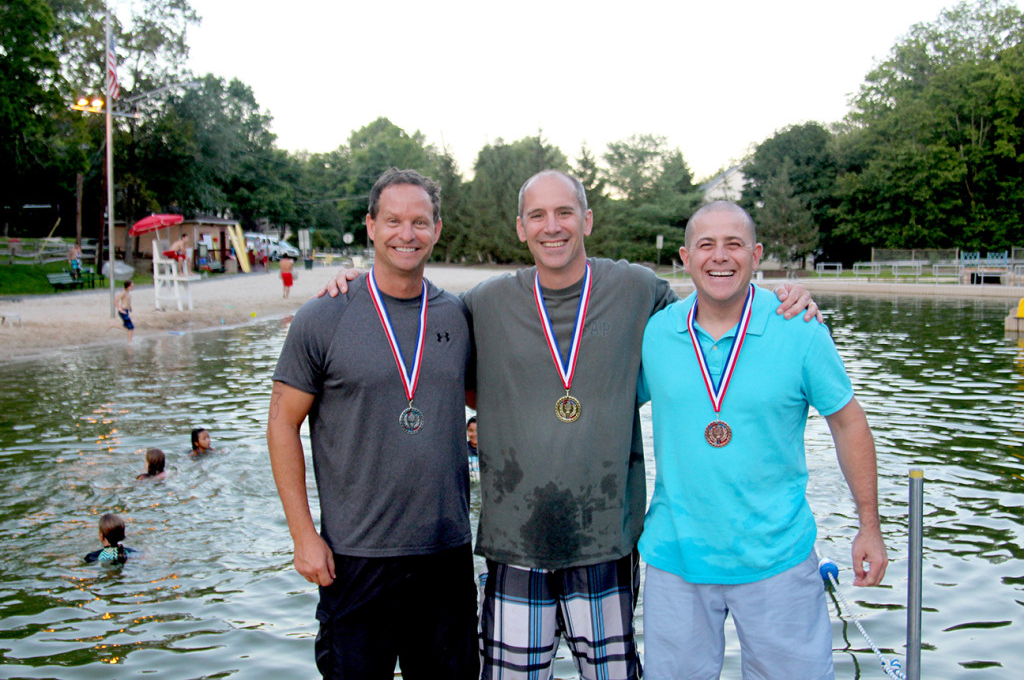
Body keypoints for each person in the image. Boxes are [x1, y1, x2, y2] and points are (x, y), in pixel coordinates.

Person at [325, 170, 820, 680]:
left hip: (604, 541)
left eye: (564, 212)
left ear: (586, 220)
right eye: (537, 215)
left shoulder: (636, 289)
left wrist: (784, 299)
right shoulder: (483, 303)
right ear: (520, 228)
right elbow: (427, 352)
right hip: (515, 545)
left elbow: (714, 313)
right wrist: (356, 288)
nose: (552, 226)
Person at [637, 201, 888, 679]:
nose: (720, 257)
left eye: (734, 244)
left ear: (757, 255)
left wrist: (868, 525)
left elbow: (849, 423)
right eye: (706, 245)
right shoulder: (657, 333)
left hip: (778, 558)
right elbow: (608, 407)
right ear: (685, 259)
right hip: (677, 557)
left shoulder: (800, 326)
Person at [267, 168, 478, 678]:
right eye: (393, 220)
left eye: (420, 222)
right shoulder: (323, 316)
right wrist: (302, 535)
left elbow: (491, 402)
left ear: (438, 229)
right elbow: (280, 425)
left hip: (445, 555)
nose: (407, 234)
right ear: (370, 225)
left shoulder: (457, 315)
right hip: (357, 559)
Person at [465, 416, 479, 483]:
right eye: (471, 430)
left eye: (477, 430)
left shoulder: (490, 450)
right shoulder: (462, 451)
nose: (474, 434)